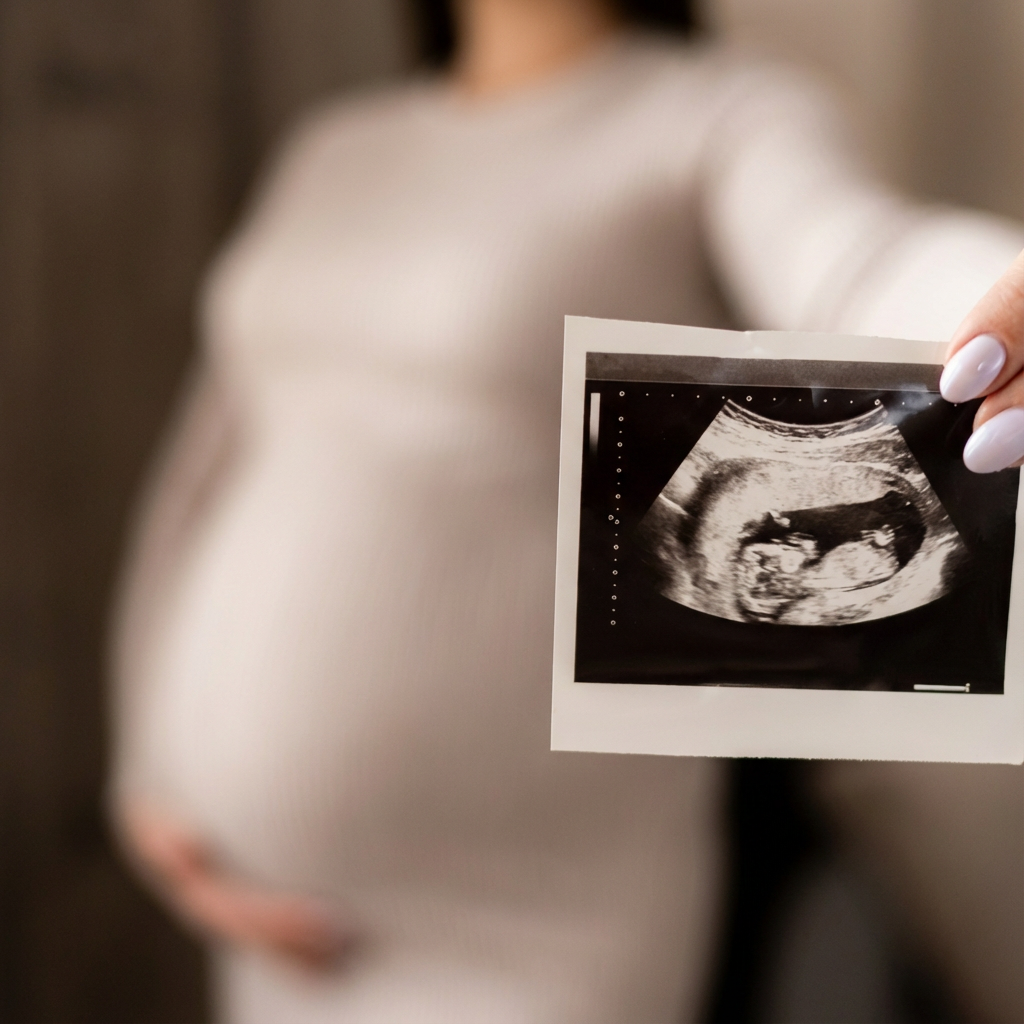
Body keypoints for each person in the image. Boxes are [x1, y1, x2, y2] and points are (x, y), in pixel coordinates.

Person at [109, 0, 1024, 1021]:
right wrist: (147, 771)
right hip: (259, 918)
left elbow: (863, 260)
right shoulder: (334, 149)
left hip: (532, 924)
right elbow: (203, 475)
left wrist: (997, 300)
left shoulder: (715, 117)